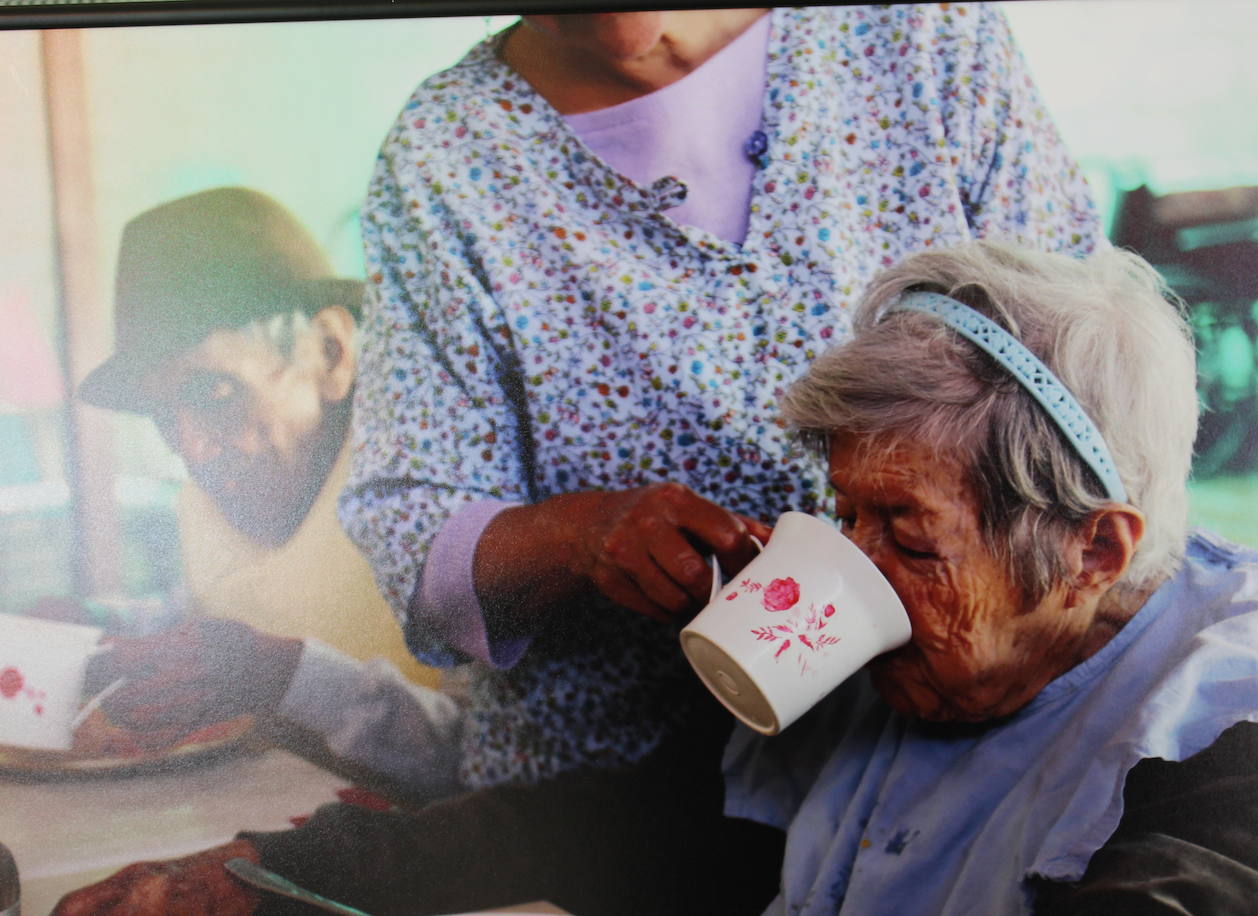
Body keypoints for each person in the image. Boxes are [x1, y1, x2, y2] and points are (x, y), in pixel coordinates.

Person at [54, 5, 1104, 913]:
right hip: (596, 823)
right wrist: (580, 536)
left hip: (935, 749)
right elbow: (415, 530)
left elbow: (1087, 382)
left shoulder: (921, 36)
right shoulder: (452, 152)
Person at [713, 239, 1258, 913]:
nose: (855, 567)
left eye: (913, 541)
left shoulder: (1249, 718)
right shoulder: (938, 655)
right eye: (846, 515)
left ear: (1094, 552)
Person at [69, 187, 443, 753]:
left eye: (216, 393)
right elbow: (229, 610)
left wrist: (291, 678)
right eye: (163, 415)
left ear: (330, 353)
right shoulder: (216, 495)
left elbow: (514, 759)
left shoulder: (444, 494)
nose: (192, 448)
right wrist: (101, 621)